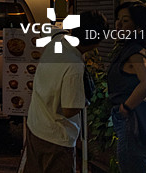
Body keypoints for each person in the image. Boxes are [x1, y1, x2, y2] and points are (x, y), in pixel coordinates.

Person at [23, 10, 108, 172]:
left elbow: (46, 29)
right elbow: (69, 110)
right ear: (96, 43)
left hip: (36, 127)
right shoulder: (74, 67)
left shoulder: (57, 40)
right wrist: (86, 99)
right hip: (56, 139)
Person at [108, 0, 146, 173]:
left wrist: (125, 107)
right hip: (136, 119)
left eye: (126, 20)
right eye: (118, 19)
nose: (118, 24)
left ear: (138, 27)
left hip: (131, 120)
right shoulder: (140, 49)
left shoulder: (135, 53)